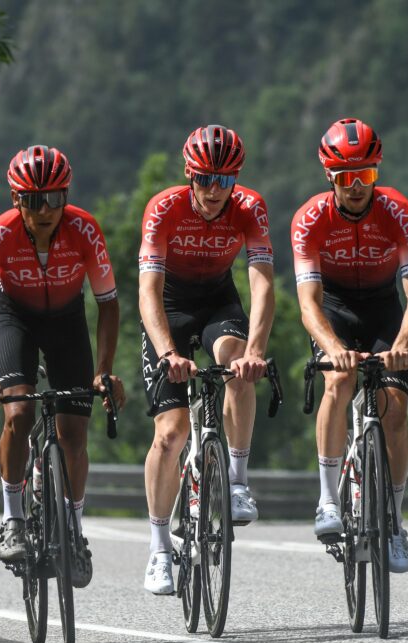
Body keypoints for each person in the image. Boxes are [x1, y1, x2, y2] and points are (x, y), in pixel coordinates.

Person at [0, 145, 125, 589]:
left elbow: (108, 304)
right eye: (34, 200)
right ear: (16, 200)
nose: (46, 210)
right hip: (16, 318)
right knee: (18, 413)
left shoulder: (84, 229)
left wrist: (104, 370)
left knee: (74, 433)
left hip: (68, 322)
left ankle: (73, 530)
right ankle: (12, 518)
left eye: (55, 198)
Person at [138, 124, 275, 594]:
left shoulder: (249, 207)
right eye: (205, 179)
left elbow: (261, 283)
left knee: (237, 363)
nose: (215, 191)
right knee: (171, 433)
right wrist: (167, 353)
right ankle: (159, 549)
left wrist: (256, 351)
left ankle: (236, 480)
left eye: (226, 181)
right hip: (170, 308)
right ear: (189, 175)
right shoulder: (164, 208)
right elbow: (148, 291)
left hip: (218, 301)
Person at [291, 118, 408, 573]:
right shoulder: (310, 218)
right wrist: (331, 348)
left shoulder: (398, 212)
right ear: (329, 176)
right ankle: (329, 499)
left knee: (395, 408)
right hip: (333, 306)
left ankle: (394, 523)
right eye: (347, 178)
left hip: (381, 309)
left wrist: (403, 344)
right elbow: (308, 304)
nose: (356, 187)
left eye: (366, 176)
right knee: (339, 381)